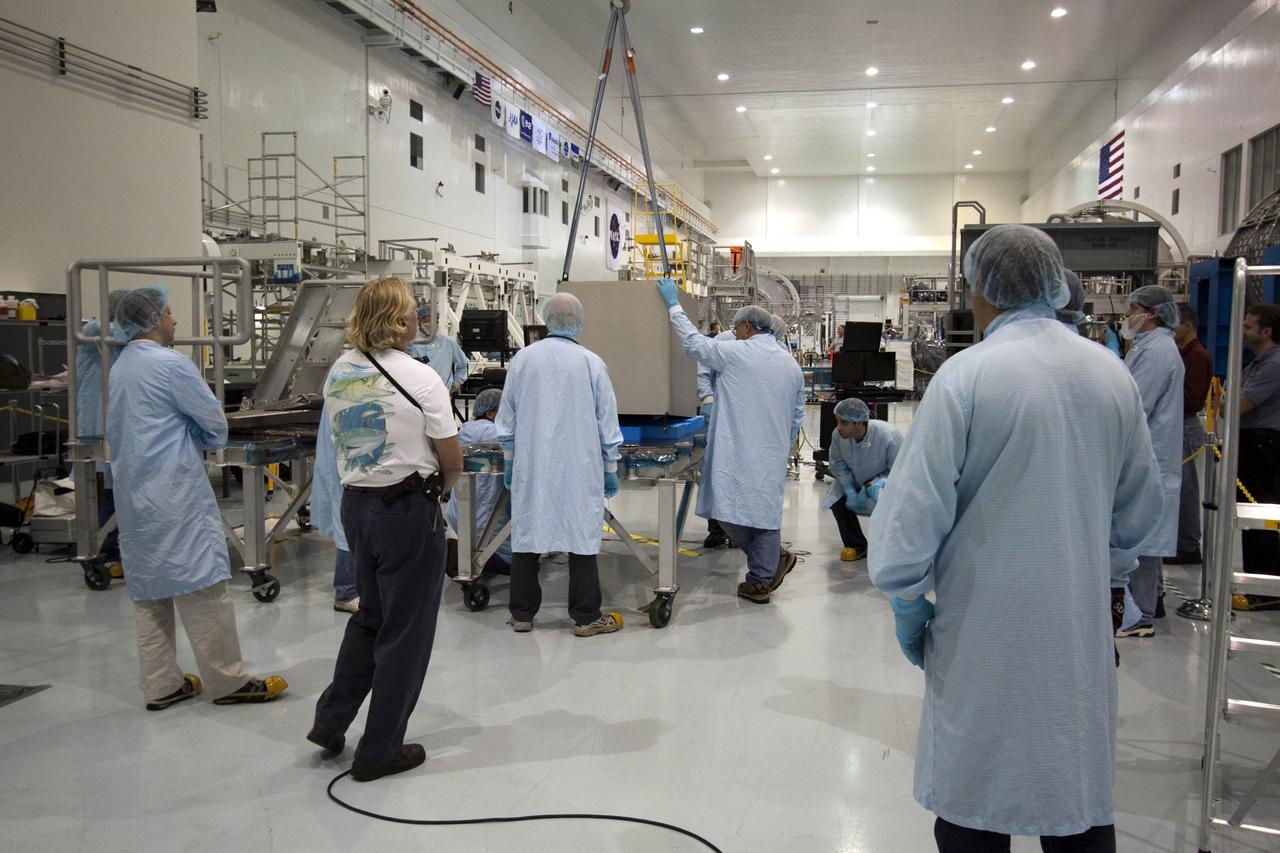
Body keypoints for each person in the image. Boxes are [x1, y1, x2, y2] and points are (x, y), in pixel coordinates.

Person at [868, 224, 1162, 852]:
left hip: (983, 626)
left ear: (982, 289)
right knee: (1073, 783)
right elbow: (1140, 509)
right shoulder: (1111, 375)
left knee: (976, 786)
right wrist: (1108, 575)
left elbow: (913, 509)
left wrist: (906, 597)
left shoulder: (967, 377)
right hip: (1077, 622)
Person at [308, 276, 462, 781]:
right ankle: (379, 751)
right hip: (405, 512)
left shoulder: (338, 372)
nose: (421, 319)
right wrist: (440, 490)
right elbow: (451, 458)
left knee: (370, 618)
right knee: (406, 633)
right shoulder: (420, 378)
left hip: (358, 509)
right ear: (398, 321)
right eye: (415, 312)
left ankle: (331, 720)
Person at [107, 287, 288, 711]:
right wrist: (204, 438)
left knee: (150, 592)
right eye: (169, 313)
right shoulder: (171, 364)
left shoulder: (122, 366)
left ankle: (162, 685)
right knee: (204, 586)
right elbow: (211, 420)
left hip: (135, 494)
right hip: (173, 490)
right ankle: (228, 682)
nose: (174, 321)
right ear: (152, 319)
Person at [658, 281, 806, 603]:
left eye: (737, 326)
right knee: (762, 514)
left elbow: (694, 344)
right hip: (769, 452)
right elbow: (797, 415)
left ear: (747, 326)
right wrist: (785, 444)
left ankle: (762, 577)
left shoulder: (737, 353)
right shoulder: (791, 366)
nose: (734, 331)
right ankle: (767, 567)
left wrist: (674, 306)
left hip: (736, 448)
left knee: (725, 507)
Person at [494, 292, 625, 636]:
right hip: (579, 468)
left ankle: (522, 614)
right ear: (579, 322)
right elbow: (607, 423)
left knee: (527, 534)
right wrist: (610, 467)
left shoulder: (523, 360)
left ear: (545, 318)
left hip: (531, 466)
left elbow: (506, 419)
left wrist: (509, 460)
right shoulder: (591, 362)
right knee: (581, 536)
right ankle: (585, 617)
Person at [1116, 285, 1184, 636]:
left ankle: (1140, 614)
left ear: (1152, 313)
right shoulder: (1150, 347)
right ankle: (1152, 600)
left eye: (1132, 309)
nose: (1128, 316)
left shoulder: (1157, 352)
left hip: (1150, 453)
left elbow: (1135, 403)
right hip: (1151, 452)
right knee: (1150, 532)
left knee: (1142, 533)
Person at [76, 289, 128, 575]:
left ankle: (119, 548)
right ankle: (108, 552)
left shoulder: (120, 341)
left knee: (117, 490)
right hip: (98, 428)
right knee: (111, 491)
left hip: (117, 425)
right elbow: (122, 333)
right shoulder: (94, 331)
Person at [1235, 303, 1280, 610]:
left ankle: (1267, 587)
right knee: (1251, 518)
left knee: (1261, 515)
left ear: (1267, 331)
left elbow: (1241, 403)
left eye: (1249, 326)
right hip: (1253, 442)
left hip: (1266, 444)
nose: (1244, 331)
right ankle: (1258, 581)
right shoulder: (1256, 363)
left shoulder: (1274, 364)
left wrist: (1231, 400)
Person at [443, 387, 511, 577]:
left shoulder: (464, 430)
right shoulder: (496, 432)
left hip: (458, 521)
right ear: (490, 412)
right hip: (491, 533)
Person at [823, 397, 901, 562]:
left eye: (844, 423)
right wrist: (849, 488)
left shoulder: (888, 436)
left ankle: (891, 547)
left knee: (888, 506)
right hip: (855, 481)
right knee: (837, 499)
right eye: (838, 421)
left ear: (859, 423)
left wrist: (878, 483)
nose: (839, 427)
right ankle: (857, 545)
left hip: (883, 484)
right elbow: (837, 463)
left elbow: (900, 471)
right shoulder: (838, 436)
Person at [1166, 305, 1212, 566]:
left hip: (1185, 427)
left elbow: (1191, 400)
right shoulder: (1183, 354)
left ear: (1187, 325)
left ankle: (1188, 545)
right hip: (1178, 425)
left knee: (1186, 489)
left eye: (1175, 325)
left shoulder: (1197, 356)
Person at [697, 321, 741, 550]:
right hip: (719, 415)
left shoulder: (762, 346)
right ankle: (716, 530)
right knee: (716, 473)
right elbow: (703, 371)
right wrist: (707, 399)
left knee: (739, 476)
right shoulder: (722, 341)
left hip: (745, 419)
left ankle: (737, 531)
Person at [313, 394, 358, 613]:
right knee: (347, 528)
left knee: (352, 527)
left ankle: (355, 588)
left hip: (353, 459)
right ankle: (346, 592)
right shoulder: (346, 373)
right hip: (348, 463)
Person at [408, 302, 469, 393]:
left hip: (442, 392)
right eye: (430, 321)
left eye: (436, 321)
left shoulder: (447, 342)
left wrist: (456, 383)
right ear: (420, 320)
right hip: (415, 393)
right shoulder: (410, 342)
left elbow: (464, 364)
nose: (434, 324)